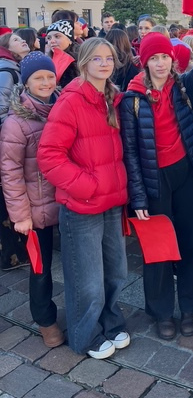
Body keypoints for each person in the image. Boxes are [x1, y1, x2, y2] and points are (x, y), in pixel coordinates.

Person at [119, 20, 193, 341]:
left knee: (191, 242)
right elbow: (130, 153)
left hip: (185, 173)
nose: (161, 63)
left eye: (165, 57)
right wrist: (137, 197)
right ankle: (161, 310)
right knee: (158, 248)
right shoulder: (131, 100)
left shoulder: (182, 86)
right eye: (154, 58)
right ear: (145, 62)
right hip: (154, 181)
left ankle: (191, 304)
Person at [37, 38, 130, 359]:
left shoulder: (112, 97)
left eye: (109, 58)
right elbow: (49, 155)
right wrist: (86, 186)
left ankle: (111, 322)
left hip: (111, 201)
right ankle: (85, 334)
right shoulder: (72, 101)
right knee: (86, 279)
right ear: (84, 63)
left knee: (115, 271)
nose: (104, 64)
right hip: (83, 204)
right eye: (97, 59)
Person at [0, 52, 64, 347]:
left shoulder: (62, 106)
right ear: (26, 82)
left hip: (67, 200)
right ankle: (45, 320)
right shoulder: (16, 122)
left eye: (50, 76)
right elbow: (10, 172)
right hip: (36, 208)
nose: (46, 82)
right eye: (39, 77)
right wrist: (20, 215)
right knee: (41, 268)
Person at [0, 32, 31, 271]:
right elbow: (1, 109)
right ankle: (12, 253)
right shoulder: (7, 70)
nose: (23, 41)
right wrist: (14, 133)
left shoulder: (13, 67)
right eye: (16, 40)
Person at [45, 21, 79, 88]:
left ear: (70, 40)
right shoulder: (46, 60)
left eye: (57, 36)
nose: (52, 41)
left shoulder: (79, 61)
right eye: (49, 38)